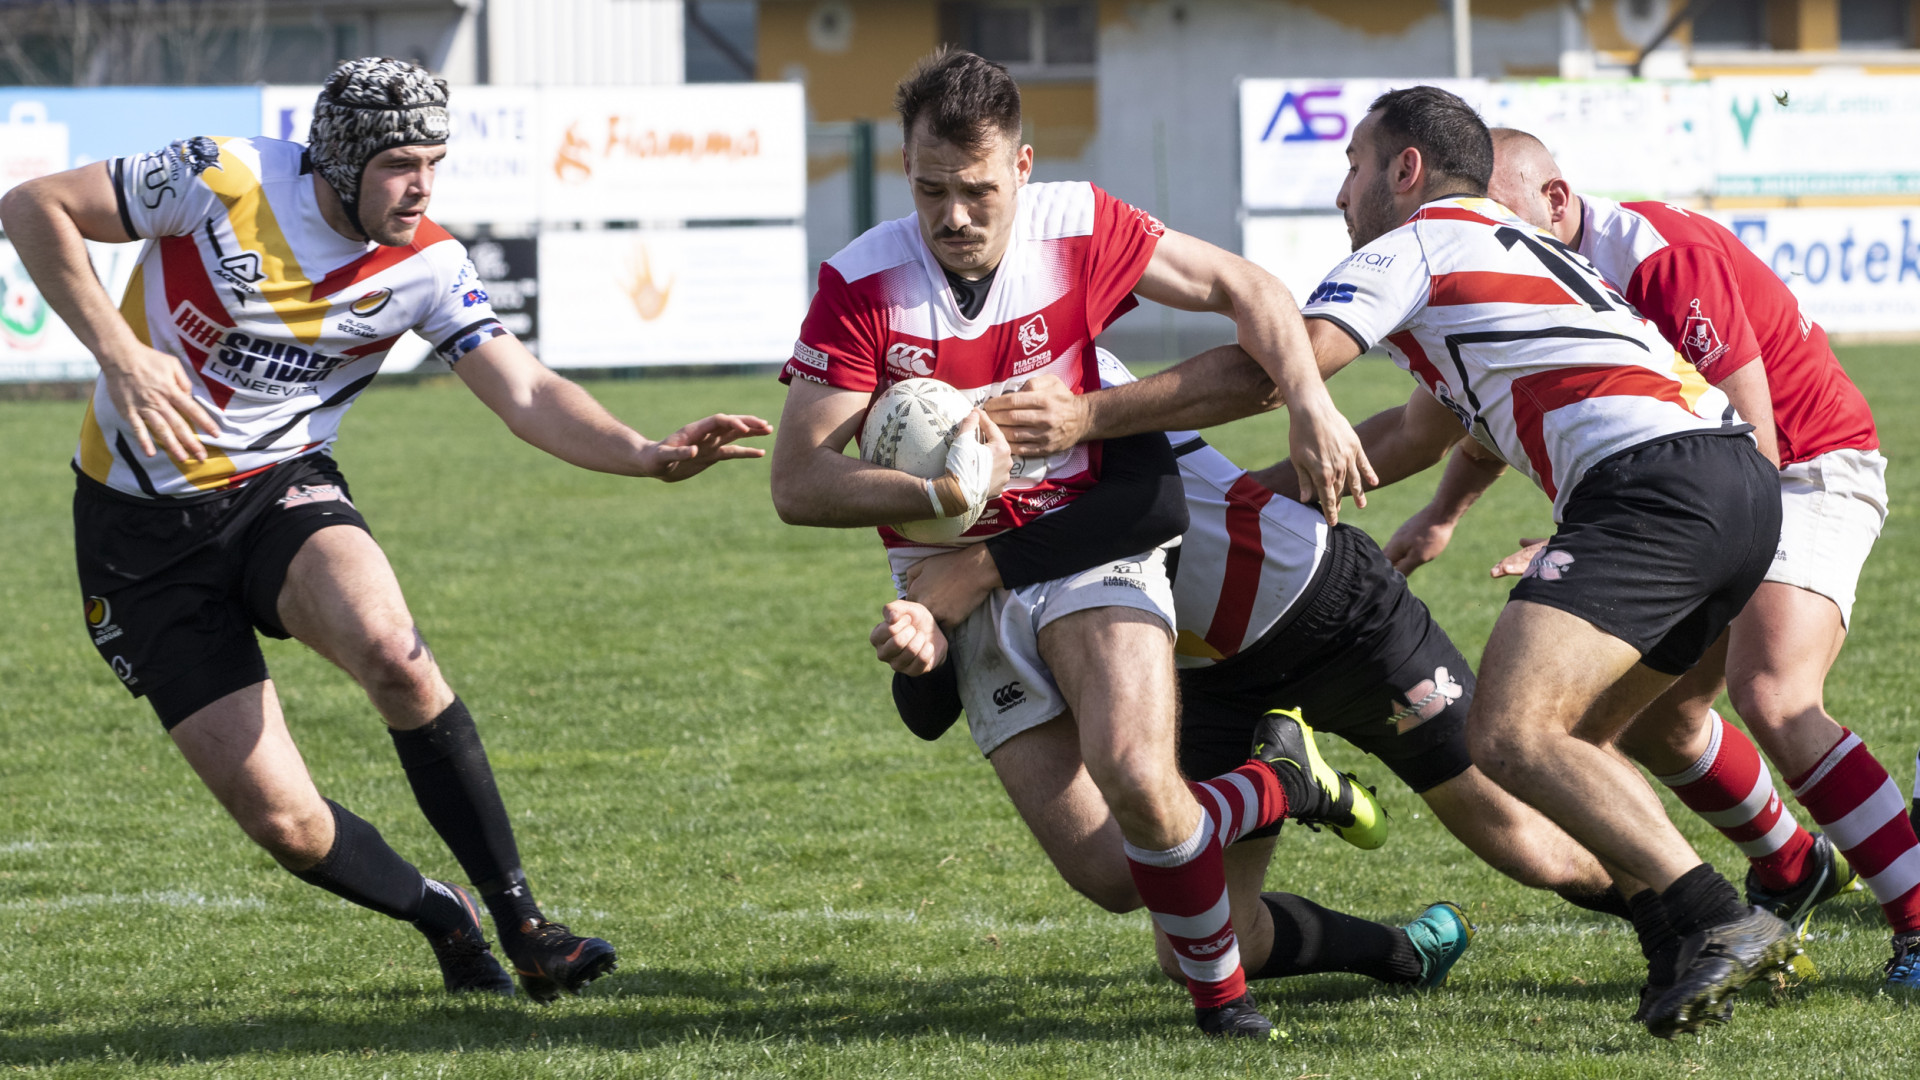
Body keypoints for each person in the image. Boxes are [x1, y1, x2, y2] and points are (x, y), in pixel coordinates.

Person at [0, 57, 770, 1001]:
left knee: (398, 657)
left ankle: (527, 924)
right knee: (287, 826)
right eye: (401, 164)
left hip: (279, 490)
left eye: (435, 164)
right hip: (137, 535)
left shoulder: (429, 265)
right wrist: (119, 355)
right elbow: (33, 203)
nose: (422, 189)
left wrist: (646, 452)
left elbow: (526, 391)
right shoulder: (221, 178)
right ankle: (444, 915)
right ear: (338, 160)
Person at [769, 48, 1370, 1039]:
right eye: (929, 190)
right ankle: (1279, 784)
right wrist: (942, 487)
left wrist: (1306, 399)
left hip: (1090, 542)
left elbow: (1247, 287)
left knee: (1138, 774)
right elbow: (797, 481)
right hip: (952, 583)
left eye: (975, 190)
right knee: (1109, 875)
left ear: (1022, 169)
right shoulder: (865, 282)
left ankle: (1224, 1008)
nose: (952, 215)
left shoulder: (1078, 227)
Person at [1248, 85, 1795, 1038]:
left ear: (1404, 170)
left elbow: (1283, 364)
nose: (1342, 196)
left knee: (1508, 734)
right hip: (1734, 481)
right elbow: (1413, 433)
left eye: (1352, 169)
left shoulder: (1417, 241)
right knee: (1580, 738)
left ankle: (1716, 914)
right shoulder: (1511, 250)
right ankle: (1675, 945)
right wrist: (1249, 497)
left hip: (1654, 486)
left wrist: (1099, 424)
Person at [881, 344, 1637, 996]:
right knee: (1200, 949)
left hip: (1324, 611)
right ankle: (1399, 950)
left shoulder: (1070, 390)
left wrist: (983, 568)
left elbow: (1153, 510)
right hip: (1210, 675)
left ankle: (1696, 914)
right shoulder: (932, 496)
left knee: (1524, 837)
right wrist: (926, 642)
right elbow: (929, 706)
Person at [1384, 128, 1920, 990]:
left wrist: (1598, 534)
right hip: (1704, 492)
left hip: (1806, 465)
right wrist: (1444, 514)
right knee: (1654, 722)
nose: (1494, 243)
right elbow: (1472, 410)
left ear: (1557, 201)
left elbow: (1755, 432)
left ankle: (1918, 921)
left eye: (1506, 221)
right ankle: (1793, 866)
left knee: (1775, 695)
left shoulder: (1654, 254)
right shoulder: (1533, 272)